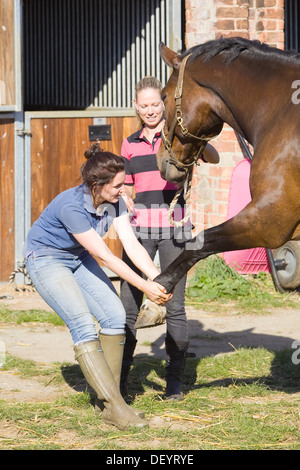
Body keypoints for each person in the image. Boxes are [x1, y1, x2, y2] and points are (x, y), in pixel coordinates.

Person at [23, 143, 171, 430]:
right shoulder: (71, 206)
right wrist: (144, 286)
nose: (123, 189)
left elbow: (130, 243)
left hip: (77, 258)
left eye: (122, 183)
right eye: (117, 185)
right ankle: (115, 407)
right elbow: (105, 256)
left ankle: (109, 403)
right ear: (97, 185)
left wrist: (156, 278)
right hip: (46, 259)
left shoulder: (115, 200)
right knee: (83, 325)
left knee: (115, 317)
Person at [120, 76, 219, 400]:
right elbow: (128, 185)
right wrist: (124, 195)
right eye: (144, 105)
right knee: (129, 307)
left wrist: (200, 139)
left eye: (154, 104)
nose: (150, 110)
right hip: (139, 233)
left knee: (175, 307)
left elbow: (213, 158)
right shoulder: (130, 143)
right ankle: (121, 378)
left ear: (163, 105)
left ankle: (174, 382)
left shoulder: (178, 138)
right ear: (137, 107)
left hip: (175, 229)